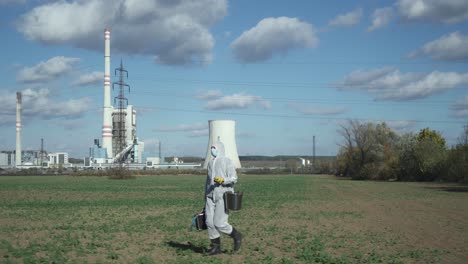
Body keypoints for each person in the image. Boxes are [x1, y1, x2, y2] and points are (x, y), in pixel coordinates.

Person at [204, 140, 242, 256]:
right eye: (211, 148)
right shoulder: (210, 163)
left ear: (219, 149)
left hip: (223, 195)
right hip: (210, 196)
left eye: (214, 148)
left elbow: (234, 178)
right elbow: (207, 181)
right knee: (209, 222)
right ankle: (216, 247)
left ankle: (236, 235)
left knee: (219, 223)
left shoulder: (227, 161)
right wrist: (205, 196)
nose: (212, 150)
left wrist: (223, 180)